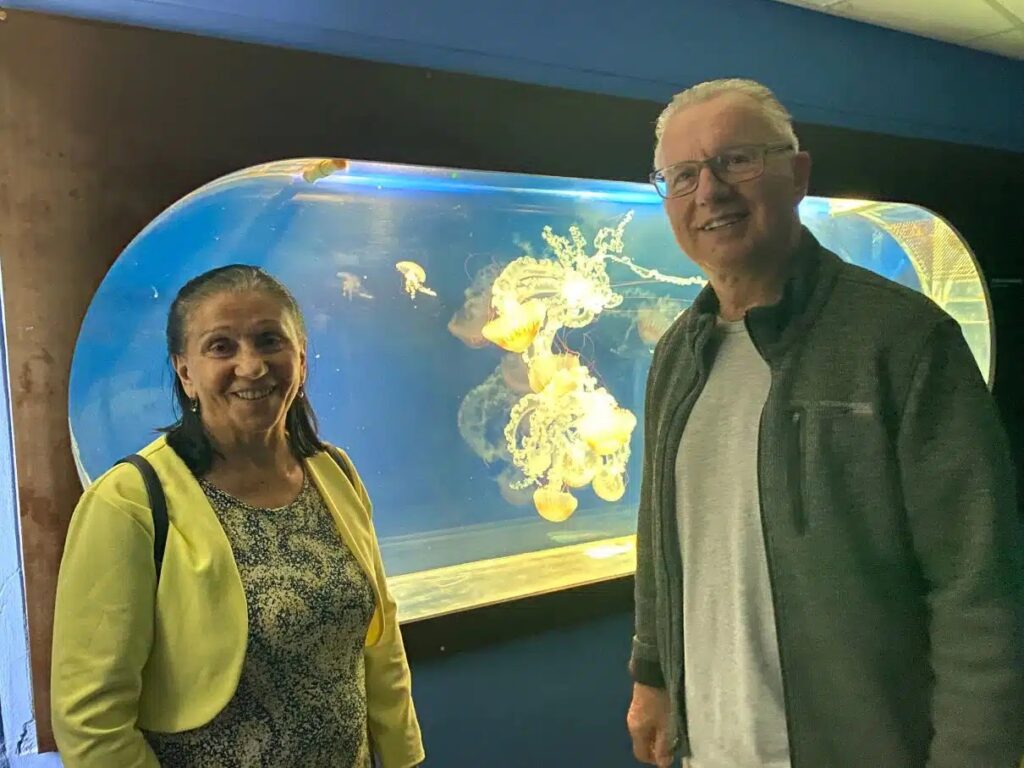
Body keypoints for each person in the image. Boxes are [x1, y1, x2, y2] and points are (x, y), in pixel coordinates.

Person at [625, 78, 1024, 768]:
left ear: (799, 174)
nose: (710, 191)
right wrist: (652, 674)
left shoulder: (905, 341)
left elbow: (977, 587)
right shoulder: (676, 357)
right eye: (683, 176)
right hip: (709, 749)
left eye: (737, 160)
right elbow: (660, 536)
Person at [52, 265, 424, 768]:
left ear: (301, 358)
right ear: (185, 372)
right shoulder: (129, 501)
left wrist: (403, 757)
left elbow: (381, 642)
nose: (251, 366)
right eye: (221, 347)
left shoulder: (334, 472)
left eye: (270, 340)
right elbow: (89, 719)